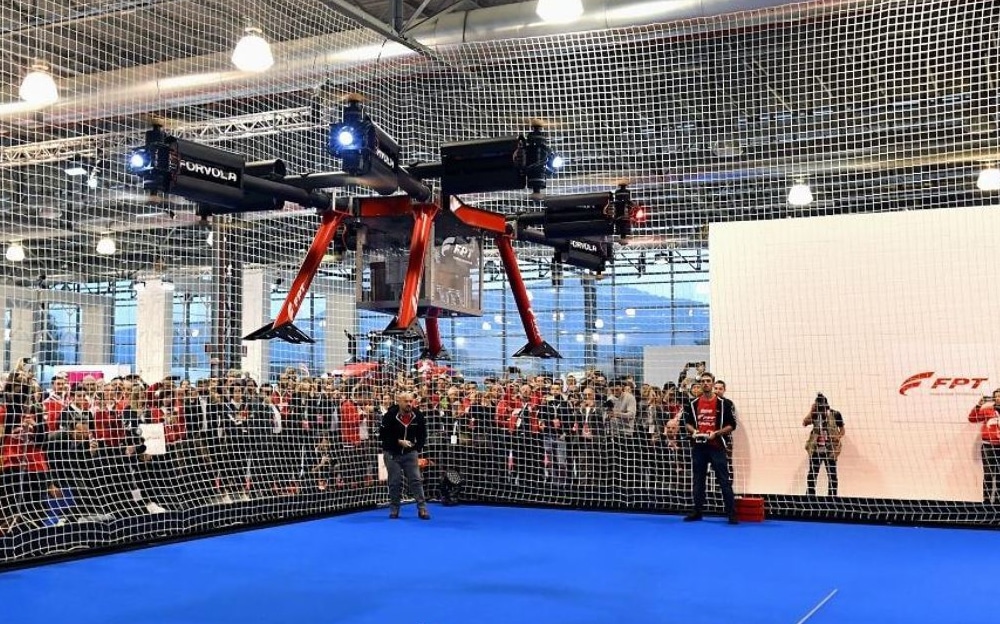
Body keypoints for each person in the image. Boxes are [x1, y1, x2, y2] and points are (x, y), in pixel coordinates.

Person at [682, 371, 738, 524]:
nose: (705, 383)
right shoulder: (693, 403)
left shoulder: (724, 403)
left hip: (717, 446)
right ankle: (697, 511)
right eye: (703, 381)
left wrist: (716, 433)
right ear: (700, 384)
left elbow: (732, 425)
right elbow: (687, 423)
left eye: (708, 381)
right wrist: (694, 432)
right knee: (698, 480)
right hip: (699, 447)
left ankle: (731, 514)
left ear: (713, 383)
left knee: (724, 480)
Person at [378, 391, 430, 520]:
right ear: (399, 401)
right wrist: (398, 441)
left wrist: (416, 449)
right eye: (406, 401)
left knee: (416, 480)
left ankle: (422, 509)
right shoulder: (389, 415)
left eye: (410, 401)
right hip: (392, 453)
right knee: (394, 482)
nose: (409, 404)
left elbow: (422, 435)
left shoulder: (418, 416)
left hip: (410, 453)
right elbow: (382, 435)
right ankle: (394, 509)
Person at [803, 393, 845, 497]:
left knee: (832, 475)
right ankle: (810, 497)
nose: (821, 411)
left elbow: (842, 430)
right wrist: (812, 411)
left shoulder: (835, 414)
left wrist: (838, 437)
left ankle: (832, 497)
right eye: (818, 408)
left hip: (830, 450)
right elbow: (805, 423)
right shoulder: (815, 414)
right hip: (816, 450)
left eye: (822, 408)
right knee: (812, 475)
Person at [968, 388, 1000, 504]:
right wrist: (978, 405)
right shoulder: (987, 410)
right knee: (988, 475)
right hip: (988, 446)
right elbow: (972, 419)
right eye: (996, 396)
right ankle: (986, 502)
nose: (998, 398)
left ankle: (998, 502)